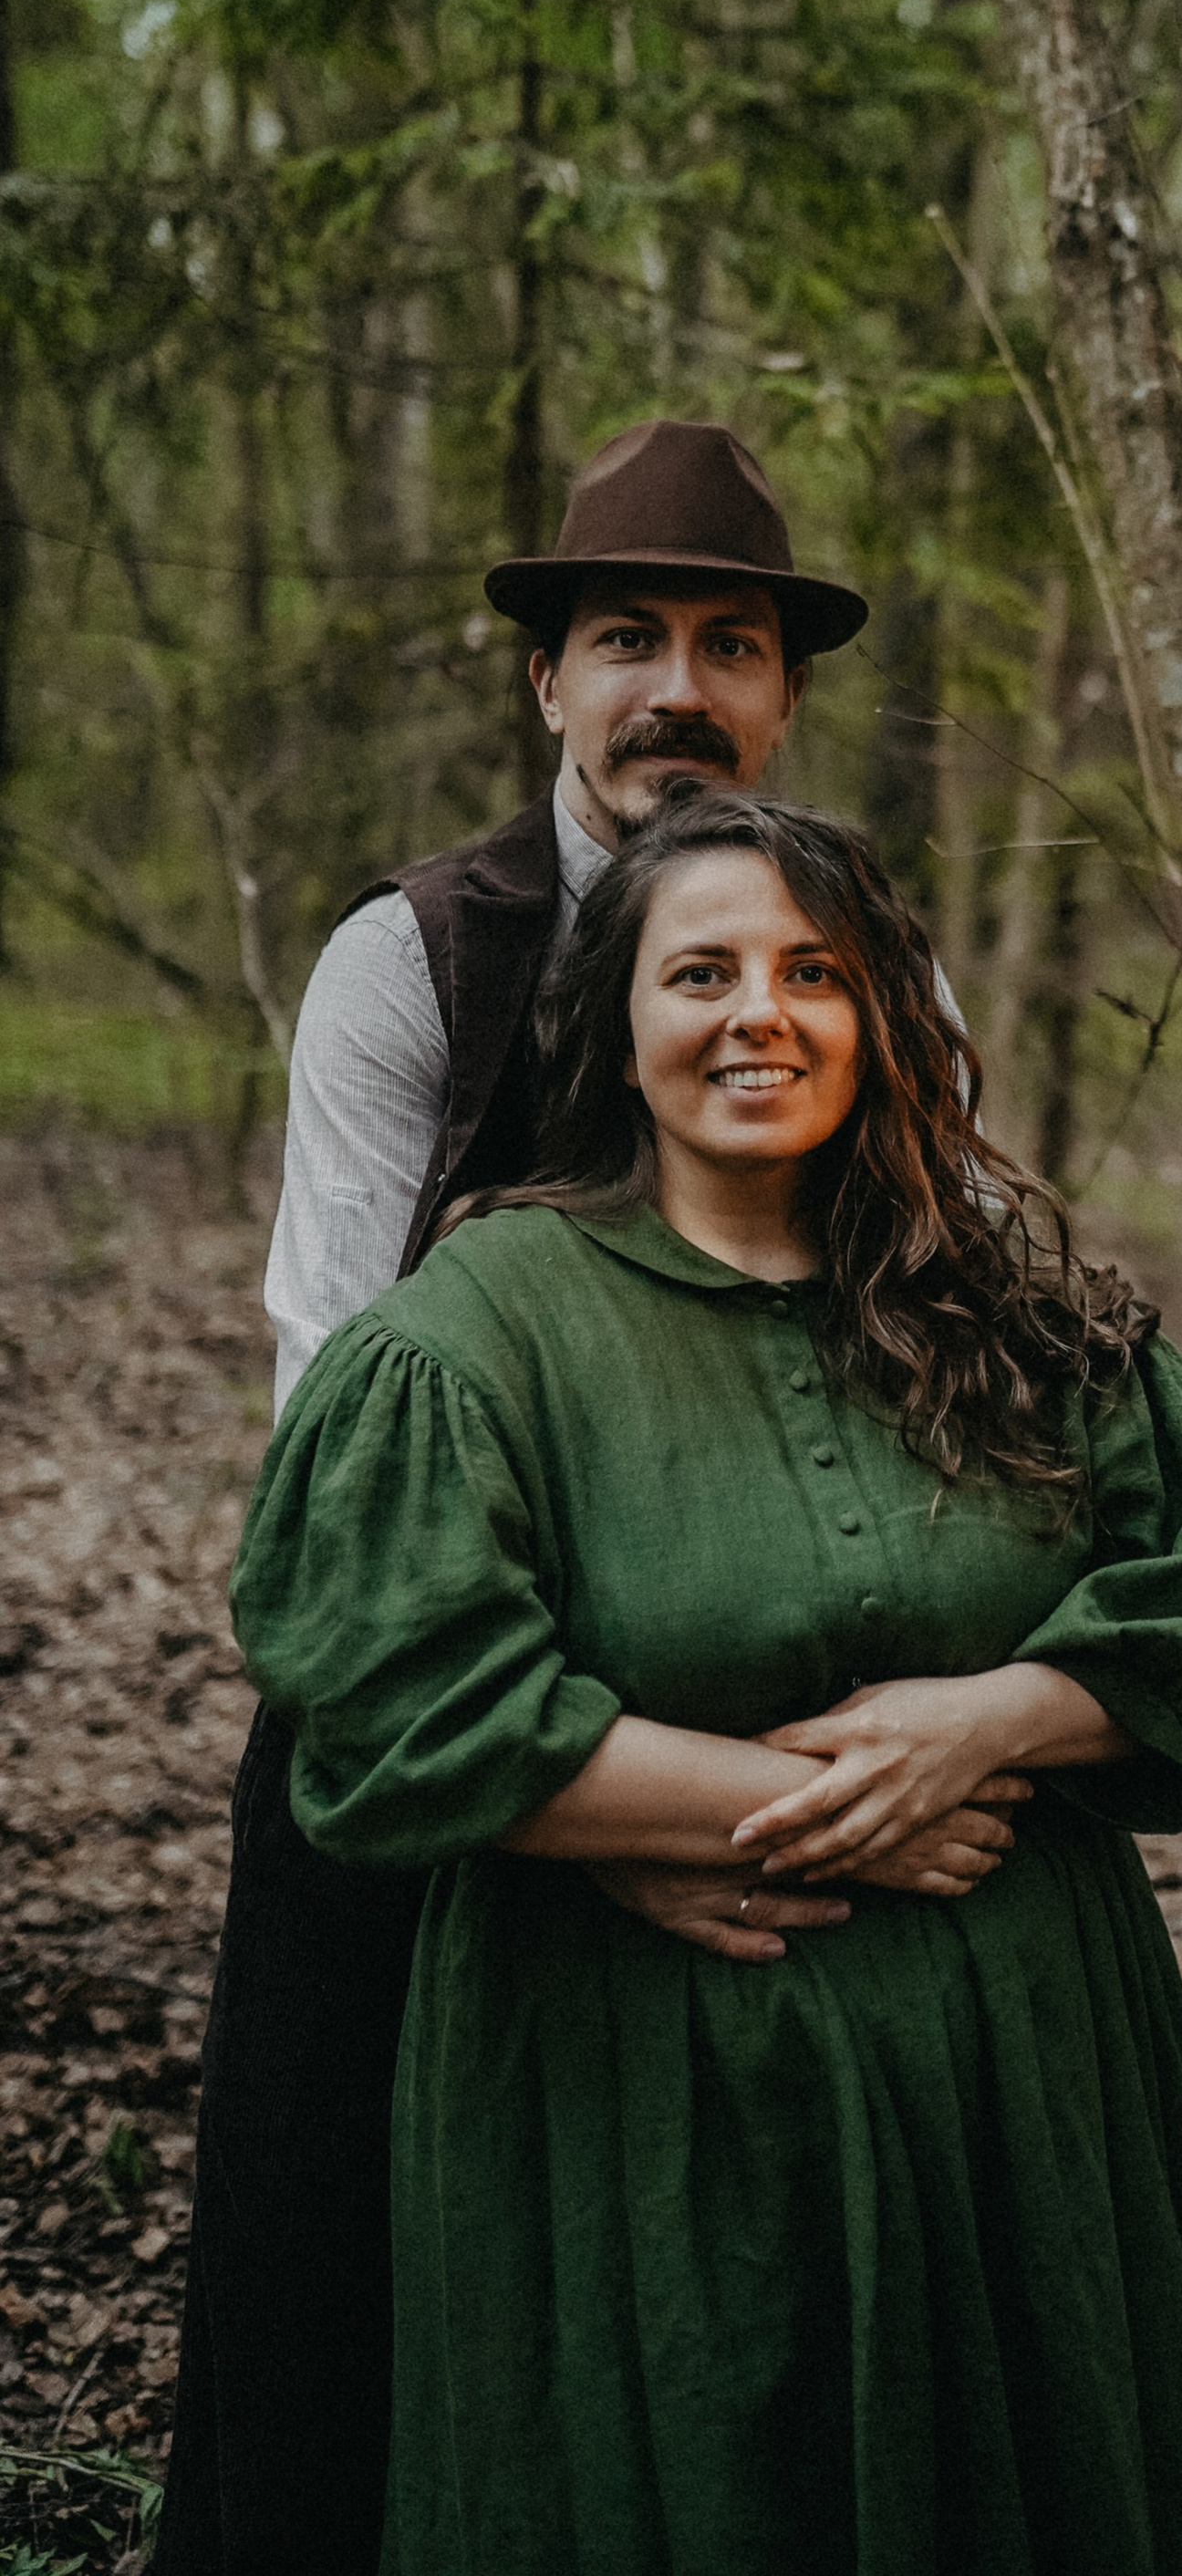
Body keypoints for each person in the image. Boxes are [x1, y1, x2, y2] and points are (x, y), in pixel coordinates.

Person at [229, 789, 1182, 2574]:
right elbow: (394, 1700)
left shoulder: (1000, 1308)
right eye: (698, 971)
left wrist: (987, 1723)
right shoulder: (472, 1337)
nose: (759, 1013)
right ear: (614, 1025)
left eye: (813, 970)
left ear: (879, 1016)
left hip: (1028, 2101)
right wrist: (809, 1815)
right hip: (641, 2108)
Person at [161, 420, 1001, 2576]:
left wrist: (809, 1765)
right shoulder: (411, 963)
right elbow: (333, 1448)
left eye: (729, 643)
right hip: (430, 1751)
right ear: (545, 680)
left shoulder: (857, 976)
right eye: (626, 635)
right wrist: (591, 1802)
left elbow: (934, 1361)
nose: (676, 690)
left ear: (784, 695)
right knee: (351, 2319)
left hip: (789, 1772)